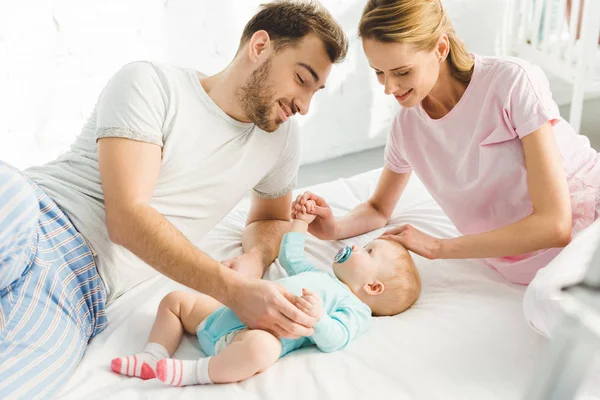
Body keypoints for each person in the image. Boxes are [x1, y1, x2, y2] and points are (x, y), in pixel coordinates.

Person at [0, 1, 348, 398]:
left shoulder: (280, 139)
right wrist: (234, 290)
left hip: (80, 288)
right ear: (260, 46)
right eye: (303, 79)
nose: (305, 105)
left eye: (316, 91)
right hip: (38, 215)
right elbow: (127, 218)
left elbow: (271, 217)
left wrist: (254, 260)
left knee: (22, 384)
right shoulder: (150, 84)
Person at [293, 0, 600, 286]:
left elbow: (555, 227)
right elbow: (378, 208)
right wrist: (333, 229)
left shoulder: (511, 83)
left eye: (402, 72)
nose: (389, 88)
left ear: (440, 48)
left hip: (589, 231)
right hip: (537, 272)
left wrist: (439, 247)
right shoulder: (407, 127)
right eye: (379, 73)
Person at [110, 199, 420, 386]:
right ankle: (153, 354)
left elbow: (335, 339)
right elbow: (291, 258)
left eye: (367, 250)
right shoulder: (318, 275)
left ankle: (196, 372)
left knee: (264, 350)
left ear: (373, 287)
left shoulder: (355, 309)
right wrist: (299, 222)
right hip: (223, 316)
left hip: (249, 337)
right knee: (175, 301)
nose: (355, 245)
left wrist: (318, 318)